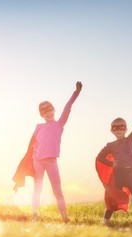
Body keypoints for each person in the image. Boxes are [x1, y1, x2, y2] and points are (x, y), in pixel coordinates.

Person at [29, 81, 82, 223]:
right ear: (41, 115)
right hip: (38, 161)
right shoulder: (39, 127)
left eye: (50, 110)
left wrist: (76, 93)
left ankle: (65, 217)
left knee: (57, 191)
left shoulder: (59, 124)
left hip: (52, 162)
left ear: (54, 110)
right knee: (37, 189)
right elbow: (32, 144)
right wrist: (33, 155)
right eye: (44, 112)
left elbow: (68, 107)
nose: (48, 113)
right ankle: (35, 215)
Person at [96, 103, 132, 225]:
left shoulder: (130, 139)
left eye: (122, 127)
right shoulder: (110, 145)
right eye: (115, 128)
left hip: (131, 175)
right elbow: (99, 157)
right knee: (112, 199)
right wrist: (110, 163)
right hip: (118, 175)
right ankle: (105, 221)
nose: (119, 130)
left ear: (126, 129)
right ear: (112, 131)